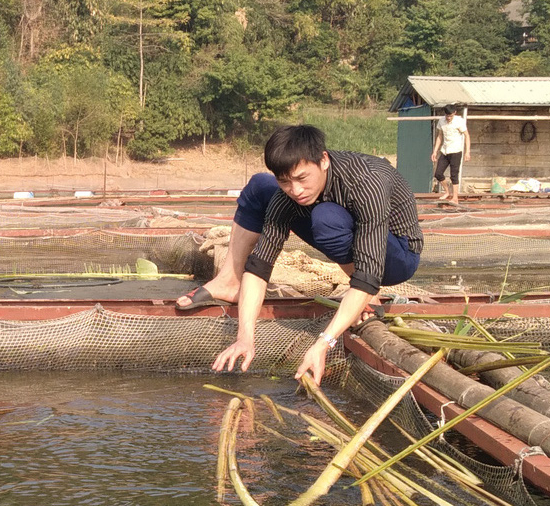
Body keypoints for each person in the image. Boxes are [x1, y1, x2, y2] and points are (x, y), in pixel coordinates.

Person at [177, 123, 423, 387]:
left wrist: (324, 343)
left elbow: (369, 271)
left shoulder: (367, 182)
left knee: (327, 219)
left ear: (324, 160)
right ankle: (229, 280)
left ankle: (367, 297)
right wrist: (245, 337)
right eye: (285, 181)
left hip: (397, 255)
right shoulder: (289, 196)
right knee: (262, 186)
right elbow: (260, 267)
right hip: (347, 235)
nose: (295, 190)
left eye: (302, 178)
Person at [431, 105, 469, 203]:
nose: (448, 118)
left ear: (454, 113)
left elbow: (467, 136)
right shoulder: (441, 121)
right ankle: (447, 192)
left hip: (456, 151)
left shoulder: (459, 121)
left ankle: (455, 197)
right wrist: (435, 151)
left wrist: (467, 152)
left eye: (450, 116)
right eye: (447, 116)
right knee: (438, 173)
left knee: (454, 175)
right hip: (445, 151)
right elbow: (440, 136)